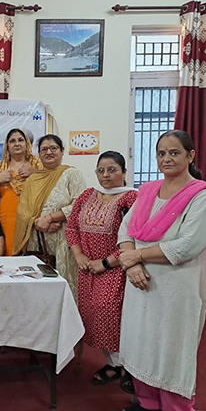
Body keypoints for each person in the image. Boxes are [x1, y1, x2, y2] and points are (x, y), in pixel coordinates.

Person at [117, 130, 206, 411]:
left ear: (190, 155)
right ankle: (148, 402)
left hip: (175, 287)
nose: (167, 158)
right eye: (161, 153)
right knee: (139, 341)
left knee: (172, 347)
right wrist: (131, 264)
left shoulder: (204, 196)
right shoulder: (148, 191)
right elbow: (125, 231)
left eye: (174, 152)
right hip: (139, 282)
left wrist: (136, 257)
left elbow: (186, 247)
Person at [65, 151, 138, 392]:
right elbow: (72, 227)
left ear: (124, 173)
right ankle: (113, 364)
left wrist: (105, 262)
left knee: (112, 314)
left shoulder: (131, 200)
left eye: (112, 170)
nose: (106, 175)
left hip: (117, 268)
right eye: (101, 170)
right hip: (88, 269)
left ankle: (130, 367)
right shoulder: (87, 196)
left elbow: (134, 239)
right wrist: (79, 256)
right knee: (93, 315)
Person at [12, 135, 86, 299]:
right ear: (38, 154)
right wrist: (38, 224)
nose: (49, 152)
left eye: (53, 148)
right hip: (37, 241)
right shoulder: (33, 179)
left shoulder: (71, 174)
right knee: (39, 288)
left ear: (62, 151)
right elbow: (23, 212)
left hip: (64, 241)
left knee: (64, 283)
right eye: (44, 149)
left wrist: (51, 218)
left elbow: (80, 205)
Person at [0, 128, 42, 256]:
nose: (17, 144)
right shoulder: (0, 168)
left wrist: (34, 173)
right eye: (12, 141)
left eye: (21, 140)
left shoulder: (38, 165)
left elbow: (50, 185)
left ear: (27, 144)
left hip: (34, 220)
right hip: (8, 221)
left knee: (32, 259)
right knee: (10, 260)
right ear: (7, 146)